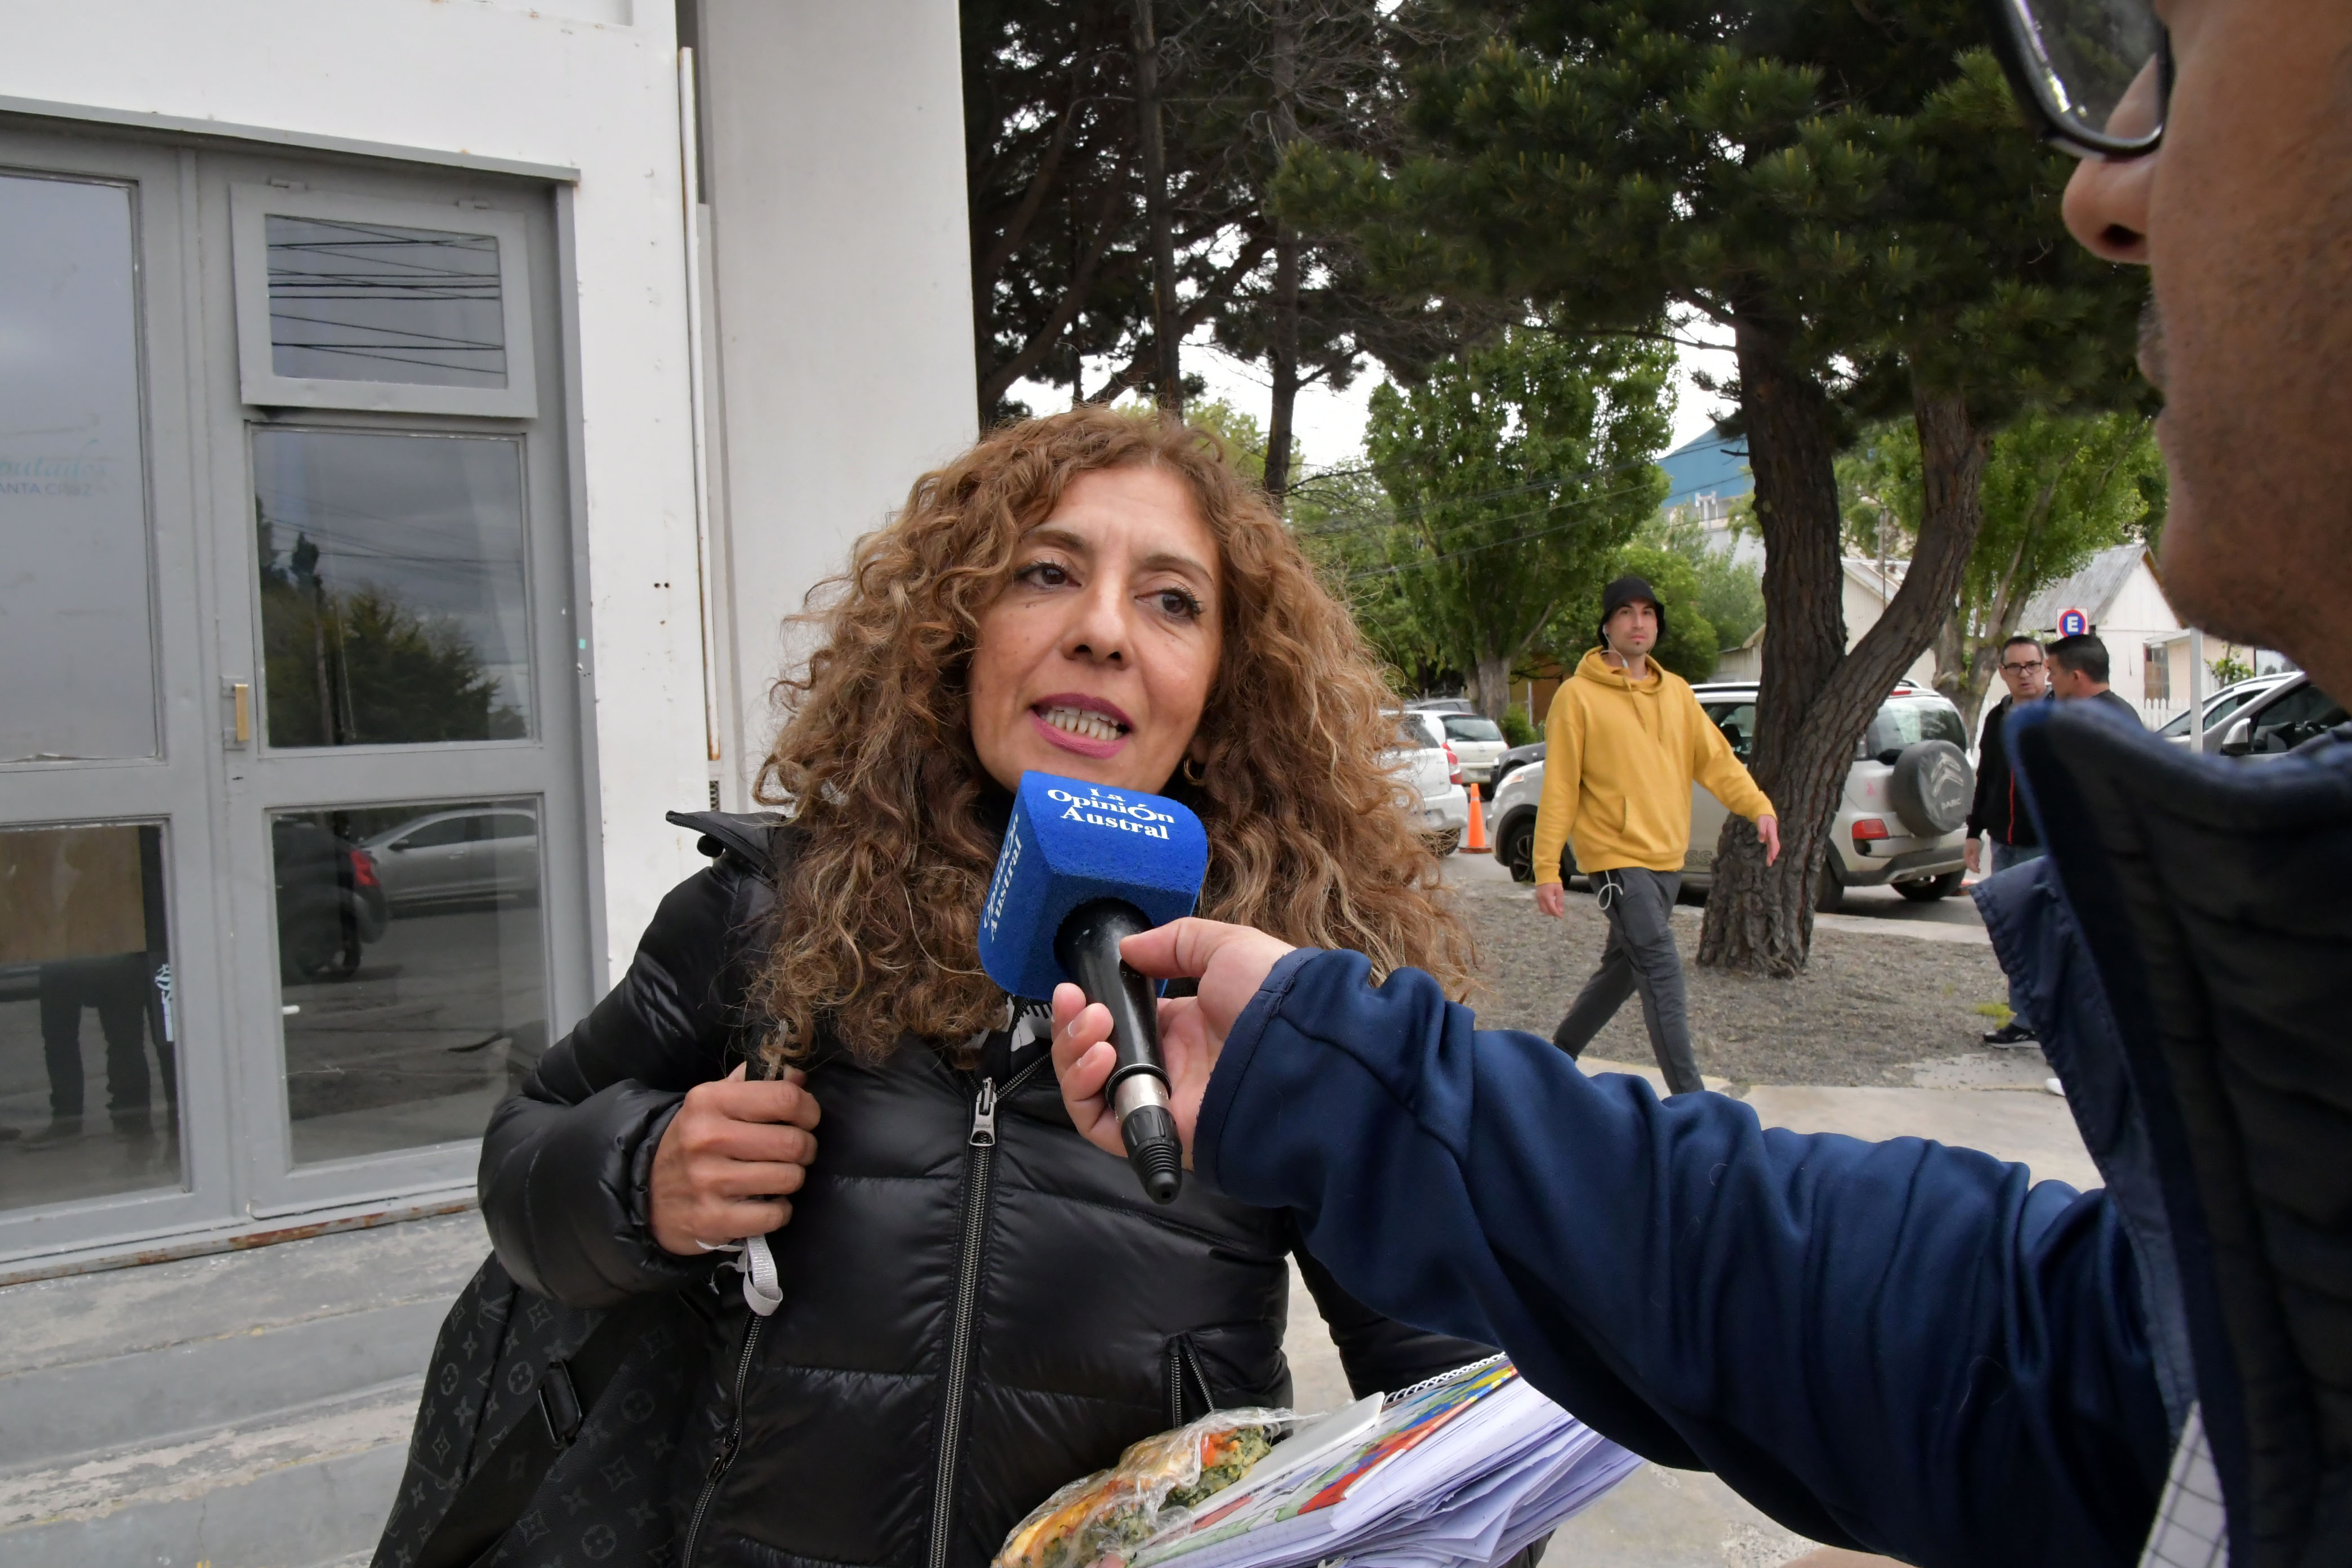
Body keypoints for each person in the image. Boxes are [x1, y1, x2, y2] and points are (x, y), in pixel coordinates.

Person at [1045, 3, 2352, 1564]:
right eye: (1043, 574)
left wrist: (1758, 805)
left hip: (1644, 877)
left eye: (2182, 49)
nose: (2095, 193)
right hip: (1610, 869)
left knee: (1641, 982)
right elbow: (2060, 1368)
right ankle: (1659, 1072)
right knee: (1650, 977)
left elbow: (2017, 1366)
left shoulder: (1662, 699)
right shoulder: (1585, 702)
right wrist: (1508, 913)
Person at [467, 409, 1511, 1568]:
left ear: (1226, 684)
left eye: (1172, 600)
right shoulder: (763, 915)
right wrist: (638, 1178)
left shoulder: (1289, 982)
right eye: (1046, 572)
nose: (1103, 629)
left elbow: (1470, 1426)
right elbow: (522, 1154)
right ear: (952, 633)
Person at [1528, 575, 1779, 1094]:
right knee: (1662, 968)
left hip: (1668, 860)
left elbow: (1716, 761)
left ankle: (1553, 1062)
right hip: (1617, 861)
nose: (1637, 622)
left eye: (1647, 612)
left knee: (1622, 971)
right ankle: (1694, 1105)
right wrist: (1547, 867)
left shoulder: (1678, 693)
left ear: (1657, 624)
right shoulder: (1577, 697)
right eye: (1625, 612)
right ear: (1607, 625)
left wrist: (1758, 806)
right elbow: (1560, 787)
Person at [1965, 635, 2048, 1047]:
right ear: (2002, 673)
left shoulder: (2059, 715)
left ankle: (2053, 1020)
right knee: (2012, 934)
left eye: (2032, 665)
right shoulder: (1998, 718)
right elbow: (1987, 777)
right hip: (2004, 841)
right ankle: (2024, 1018)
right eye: (2015, 667)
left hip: (2045, 844)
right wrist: (1974, 831)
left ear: (2045, 667)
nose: (2024, 674)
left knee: (2047, 934)